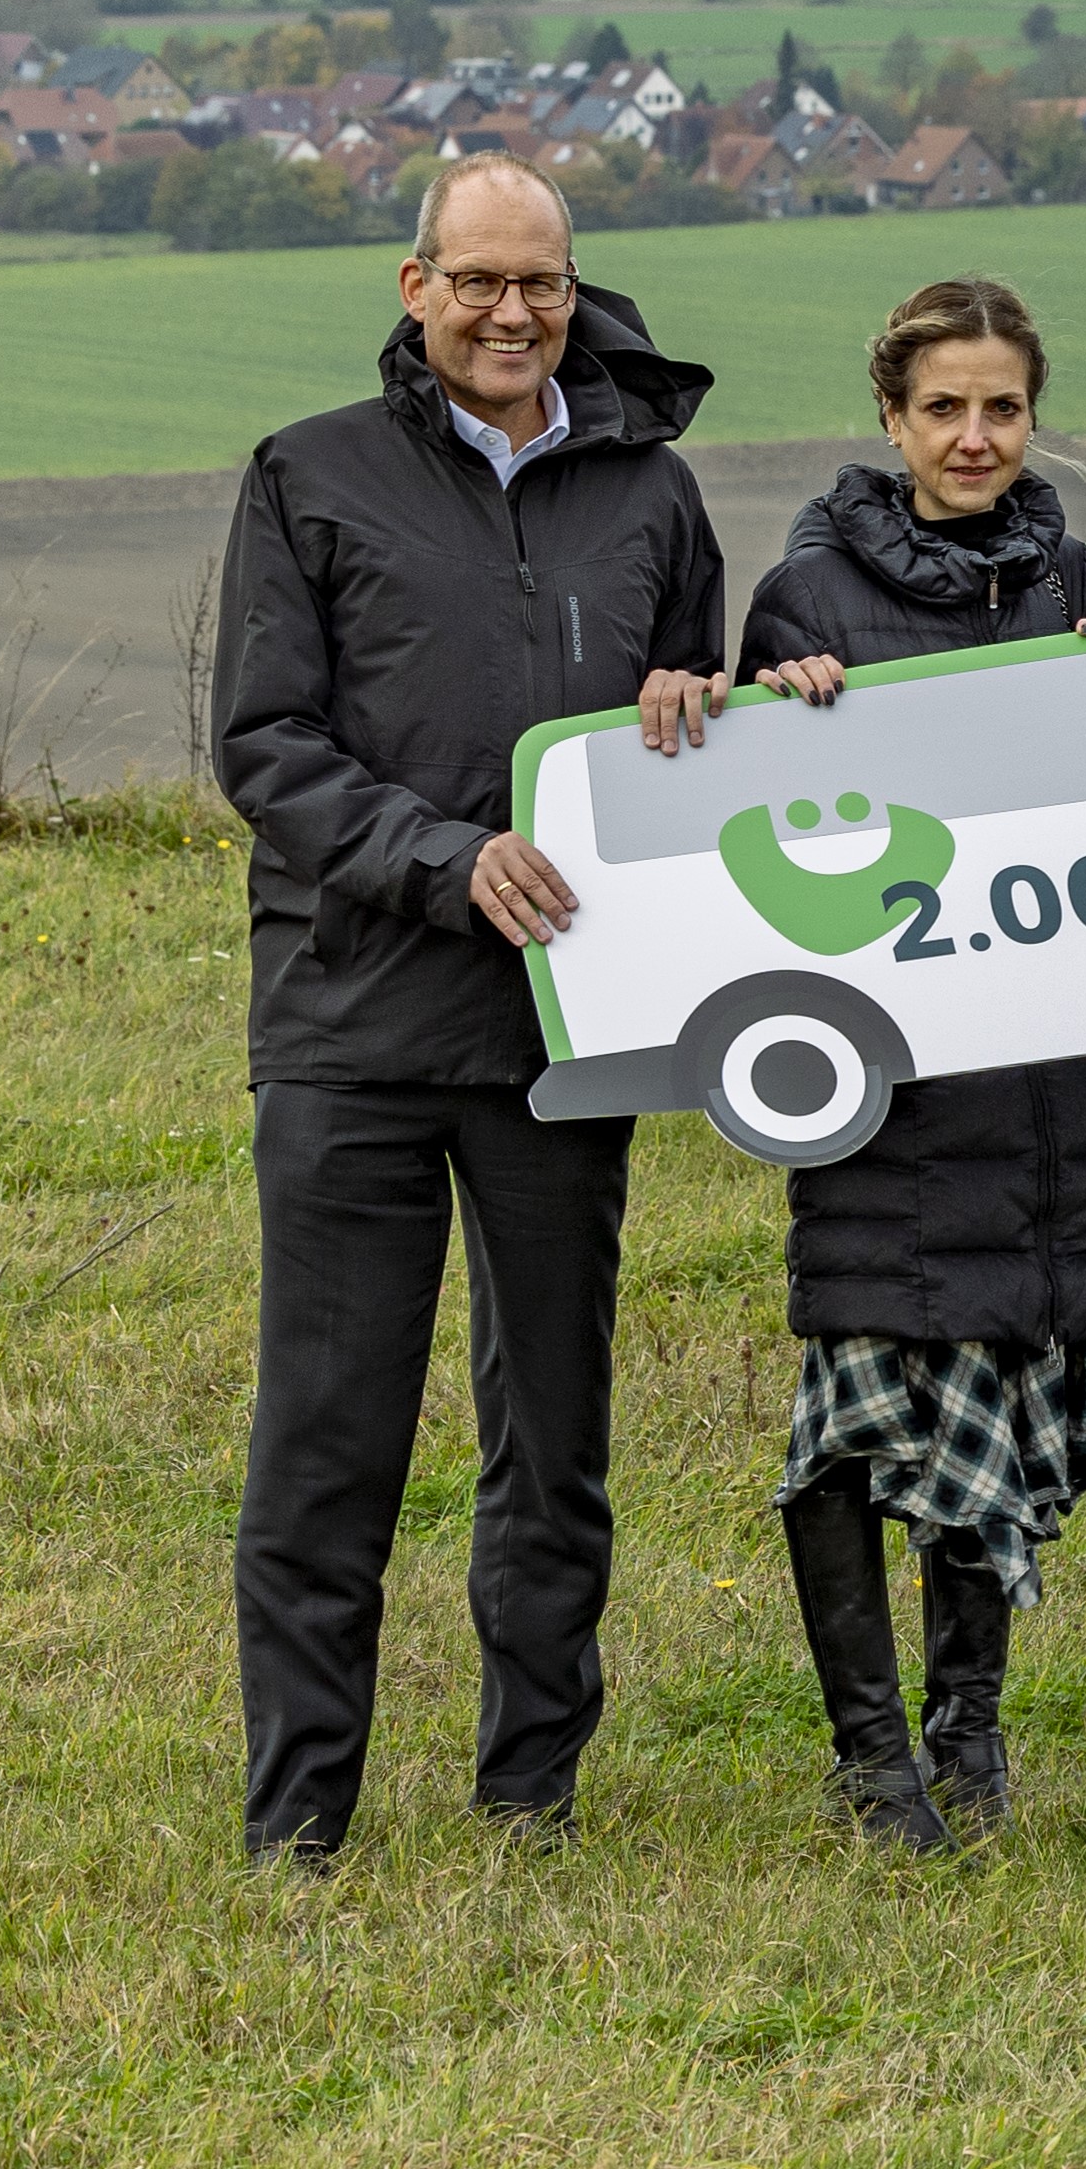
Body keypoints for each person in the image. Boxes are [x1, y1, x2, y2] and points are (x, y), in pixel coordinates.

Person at [215, 156, 728, 1863]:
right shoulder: (307, 475)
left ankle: (530, 1792)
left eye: (545, 284)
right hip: (354, 1029)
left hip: (564, 1038)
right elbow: (267, 746)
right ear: (414, 283)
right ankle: (300, 1815)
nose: (514, 313)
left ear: (576, 291)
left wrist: (702, 703)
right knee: (330, 1436)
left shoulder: (651, 493)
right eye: (480, 281)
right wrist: (443, 860)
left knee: (554, 1433)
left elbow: (695, 740)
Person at [733, 277, 1086, 1850]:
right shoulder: (808, 594)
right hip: (893, 1094)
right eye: (944, 408)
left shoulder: (1069, 577)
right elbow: (749, 834)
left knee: (1005, 1389)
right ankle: (869, 1756)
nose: (976, 436)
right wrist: (785, 713)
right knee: (852, 1416)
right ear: (891, 419)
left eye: (1004, 408)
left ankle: (969, 1734)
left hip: (1049, 1079)